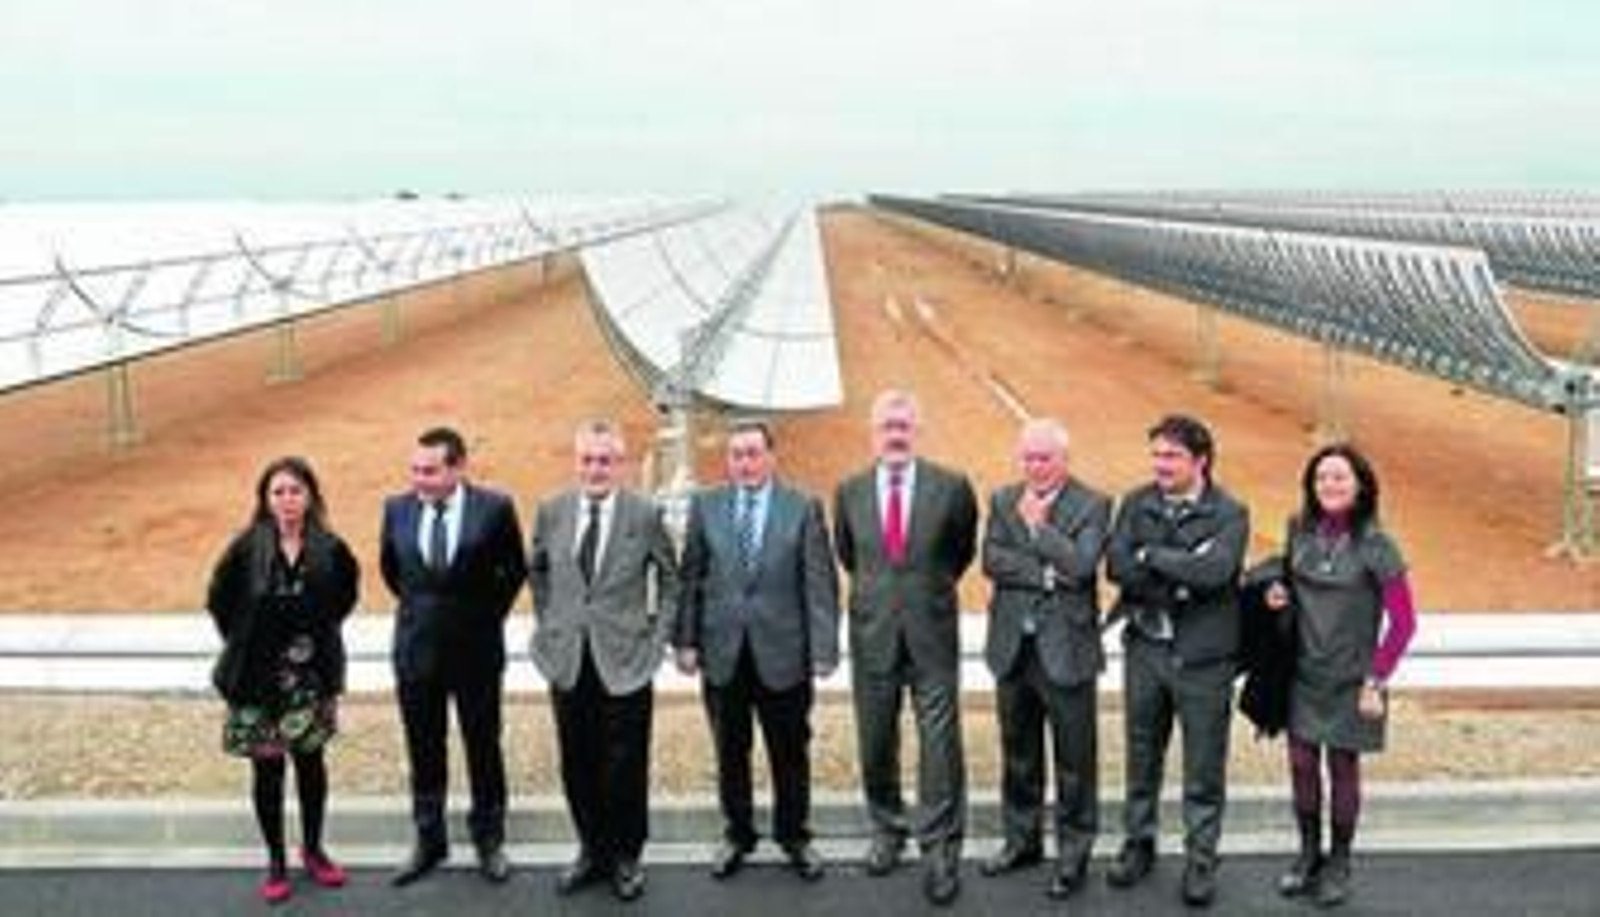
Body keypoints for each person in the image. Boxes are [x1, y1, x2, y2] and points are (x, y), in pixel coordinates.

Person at [674, 419, 840, 882]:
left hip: (784, 653)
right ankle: (738, 834)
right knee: (730, 750)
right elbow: (691, 579)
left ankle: (794, 836)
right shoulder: (705, 506)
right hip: (723, 651)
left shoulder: (803, 507)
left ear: (771, 456)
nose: (744, 463)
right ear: (728, 460)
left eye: (752, 453)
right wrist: (685, 640)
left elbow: (820, 584)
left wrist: (823, 648)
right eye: (736, 455)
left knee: (790, 751)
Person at [833, 389, 979, 906]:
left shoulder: (952, 488)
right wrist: (886, 599)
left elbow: (961, 552)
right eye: (886, 426)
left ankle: (940, 847)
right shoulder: (849, 491)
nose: (895, 434)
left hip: (932, 633)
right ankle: (888, 828)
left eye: (903, 425)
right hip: (872, 632)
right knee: (875, 738)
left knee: (940, 745)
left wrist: (924, 592)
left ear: (917, 430)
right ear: (873, 432)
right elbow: (850, 556)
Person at [529, 419, 680, 901]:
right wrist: (552, 624)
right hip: (569, 658)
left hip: (627, 660)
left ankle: (626, 856)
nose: (595, 469)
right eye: (588, 460)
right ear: (577, 462)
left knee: (626, 763)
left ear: (621, 463)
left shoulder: (644, 514)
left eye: (605, 460)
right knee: (577, 761)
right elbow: (539, 571)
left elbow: (671, 580)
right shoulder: (552, 510)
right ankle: (591, 850)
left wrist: (657, 640)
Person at [1105, 414, 1249, 909]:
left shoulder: (1231, 512)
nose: (1160, 465)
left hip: (1204, 658)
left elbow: (1216, 571)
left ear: (1200, 460)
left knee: (1203, 767)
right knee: (1141, 756)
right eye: (1157, 455)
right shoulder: (1136, 502)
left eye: (1171, 456)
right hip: (1145, 648)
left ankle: (1201, 860)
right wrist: (1175, 566)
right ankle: (1138, 844)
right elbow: (1118, 567)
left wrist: (1152, 556)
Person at [1266, 443, 1417, 908]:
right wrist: (1277, 594)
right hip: (1302, 675)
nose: (1329, 486)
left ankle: (1340, 861)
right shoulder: (1299, 531)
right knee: (1302, 767)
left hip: (1356, 682)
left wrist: (1377, 679)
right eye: (1321, 478)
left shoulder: (1378, 544)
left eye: (1339, 478)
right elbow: (1289, 584)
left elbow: (1405, 621)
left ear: (1360, 485)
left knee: (1342, 769)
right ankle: (1308, 854)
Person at [207, 456, 359, 905]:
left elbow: (344, 600)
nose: (287, 499)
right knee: (268, 771)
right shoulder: (245, 546)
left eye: (295, 490)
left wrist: (312, 646)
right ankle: (276, 860)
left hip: (308, 681)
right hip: (257, 681)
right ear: (265, 499)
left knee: (311, 766)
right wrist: (245, 642)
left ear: (310, 495)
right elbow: (219, 599)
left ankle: (313, 849)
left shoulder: (330, 549)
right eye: (278, 492)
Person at [381, 426, 527, 887]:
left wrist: (484, 618)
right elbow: (393, 570)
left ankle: (488, 839)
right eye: (415, 470)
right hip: (416, 653)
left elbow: (514, 570)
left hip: (477, 654)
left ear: (458, 467)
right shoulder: (396, 509)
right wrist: (425, 614)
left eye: (430, 470)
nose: (419, 479)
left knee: (483, 747)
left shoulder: (495, 509)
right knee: (424, 750)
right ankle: (429, 839)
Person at [979, 418, 1111, 901]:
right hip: (1013, 647)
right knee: (1019, 755)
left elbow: (1080, 566)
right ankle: (1022, 841)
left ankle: (1074, 854)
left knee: (1075, 761)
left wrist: (1038, 528)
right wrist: (1047, 575)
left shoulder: (1093, 503)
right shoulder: (1001, 499)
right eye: (1027, 458)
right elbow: (991, 560)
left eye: (1043, 458)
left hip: (1066, 652)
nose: (1034, 467)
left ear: (1063, 459)